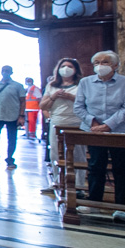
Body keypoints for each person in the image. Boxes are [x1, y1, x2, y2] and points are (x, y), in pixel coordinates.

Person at [73, 50, 125, 221]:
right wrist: (93, 123)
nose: (100, 65)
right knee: (95, 166)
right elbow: (79, 107)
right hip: (94, 131)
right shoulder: (86, 82)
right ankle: (94, 203)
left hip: (122, 130)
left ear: (115, 65)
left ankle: (122, 207)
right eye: (97, 62)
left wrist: (108, 125)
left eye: (105, 62)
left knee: (122, 168)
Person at [39, 58, 87, 196]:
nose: (66, 68)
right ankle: (57, 181)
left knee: (78, 154)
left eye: (69, 66)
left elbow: (89, 103)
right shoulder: (52, 85)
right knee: (55, 152)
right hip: (57, 121)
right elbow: (43, 105)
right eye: (63, 66)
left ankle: (78, 186)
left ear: (75, 69)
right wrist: (53, 97)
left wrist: (71, 97)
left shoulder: (82, 85)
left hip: (77, 121)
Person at [0, 66, 26, 169]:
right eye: (3, 70)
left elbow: (22, 101)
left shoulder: (18, 86)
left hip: (12, 115)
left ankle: (10, 159)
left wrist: (21, 116)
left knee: (11, 138)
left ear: (11, 72)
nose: (5, 72)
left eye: (7, 71)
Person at [24, 77, 43, 141]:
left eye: (28, 81)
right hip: (28, 108)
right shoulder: (28, 89)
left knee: (32, 121)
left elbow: (39, 98)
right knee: (28, 121)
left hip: (33, 108)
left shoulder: (35, 89)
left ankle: (32, 133)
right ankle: (28, 132)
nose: (27, 82)